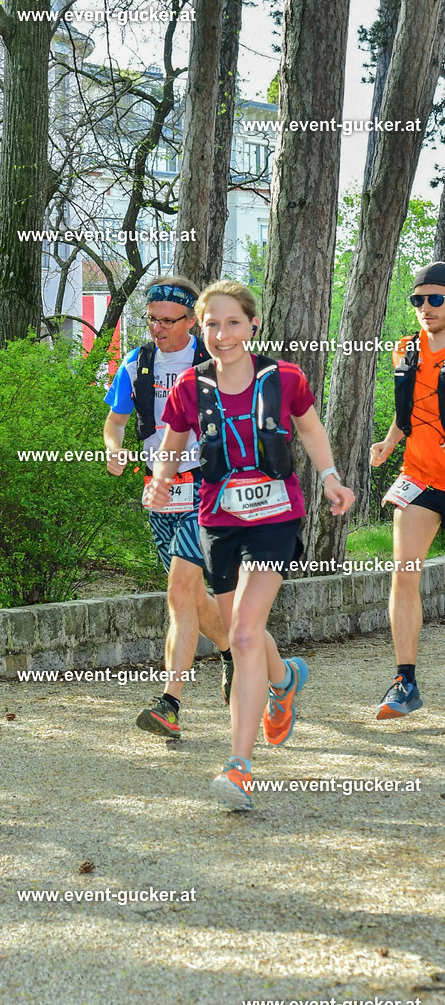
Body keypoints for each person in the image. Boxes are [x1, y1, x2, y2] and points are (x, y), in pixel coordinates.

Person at [145, 280, 354, 809]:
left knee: (241, 634)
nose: (222, 334)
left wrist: (330, 477)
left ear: (253, 324)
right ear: (201, 329)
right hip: (219, 522)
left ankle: (239, 767)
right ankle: (284, 680)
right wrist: (160, 480)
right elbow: (171, 444)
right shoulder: (190, 386)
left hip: (275, 518)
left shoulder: (284, 378)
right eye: (212, 324)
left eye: (233, 322)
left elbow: (310, 430)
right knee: (246, 633)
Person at [103, 276, 231, 739]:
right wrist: (114, 448)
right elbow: (115, 421)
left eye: (167, 321)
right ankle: (241, 653)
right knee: (192, 596)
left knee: (179, 591)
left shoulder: (215, 362)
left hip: (208, 488)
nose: (157, 328)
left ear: (191, 320)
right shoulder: (137, 363)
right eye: (151, 319)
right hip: (158, 491)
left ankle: (169, 704)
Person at [370, 261, 445, 720]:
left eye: (436, 298)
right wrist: (388, 442)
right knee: (404, 573)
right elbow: (408, 412)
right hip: (419, 475)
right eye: (418, 299)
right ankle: (405, 682)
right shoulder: (405, 349)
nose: (425, 307)